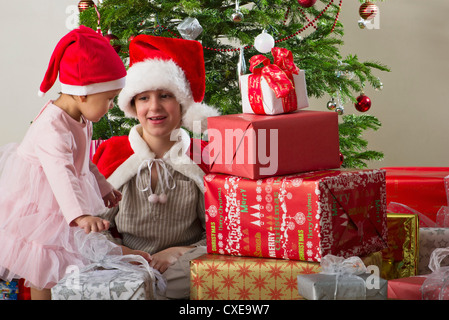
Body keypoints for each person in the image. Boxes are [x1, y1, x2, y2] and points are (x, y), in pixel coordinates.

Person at [0, 26, 127, 300]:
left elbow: (84, 163)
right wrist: (80, 214)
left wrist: (103, 186)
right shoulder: (52, 126)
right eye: (108, 99)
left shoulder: (81, 118)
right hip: (42, 200)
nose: (111, 107)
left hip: (62, 198)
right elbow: (60, 172)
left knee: (61, 265)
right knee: (42, 264)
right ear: (83, 93)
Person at [93, 34, 219, 299]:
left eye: (165, 96)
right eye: (143, 98)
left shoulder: (202, 157)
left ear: (182, 104)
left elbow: (220, 231)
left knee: (191, 276)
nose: (154, 107)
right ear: (132, 104)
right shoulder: (114, 153)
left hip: (183, 262)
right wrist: (126, 255)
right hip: (126, 262)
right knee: (128, 280)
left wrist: (180, 252)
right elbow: (93, 228)